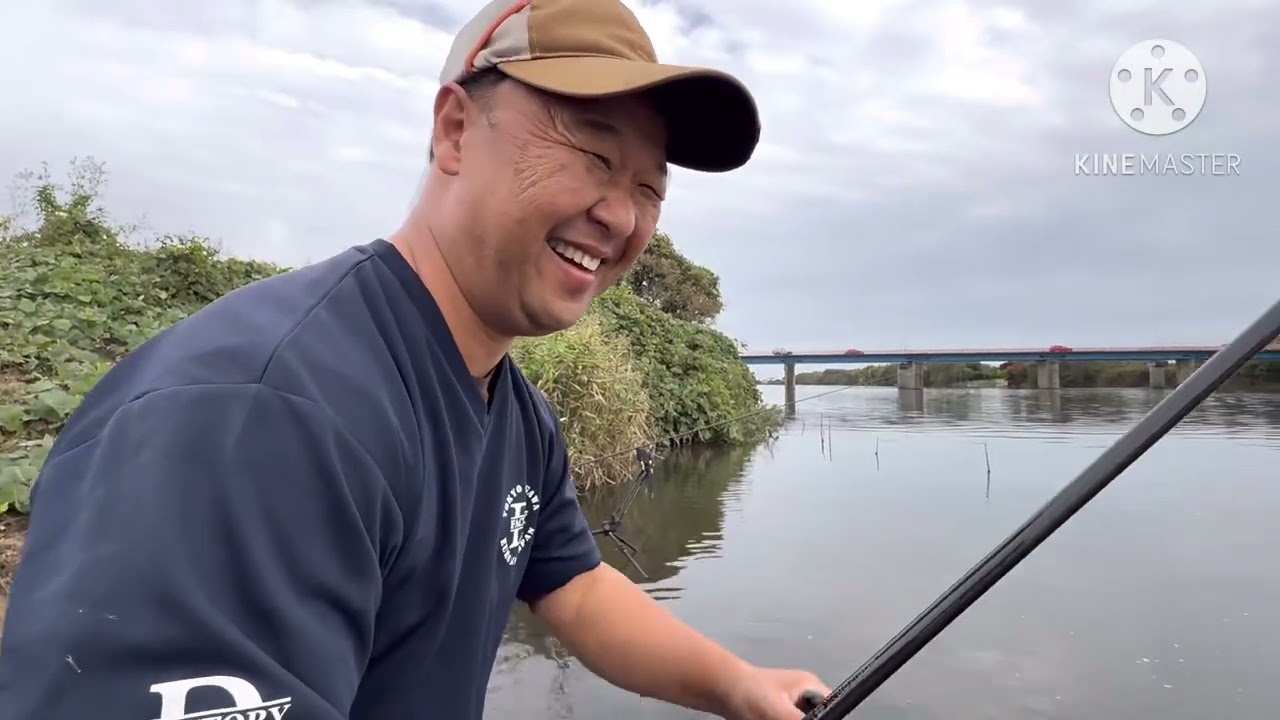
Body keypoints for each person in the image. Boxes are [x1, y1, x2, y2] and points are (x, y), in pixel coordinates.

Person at [0, 0, 831, 718]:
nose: (620, 213)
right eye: (594, 154)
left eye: (650, 188)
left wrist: (737, 686)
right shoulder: (259, 414)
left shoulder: (516, 414)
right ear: (456, 130)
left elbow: (575, 587)